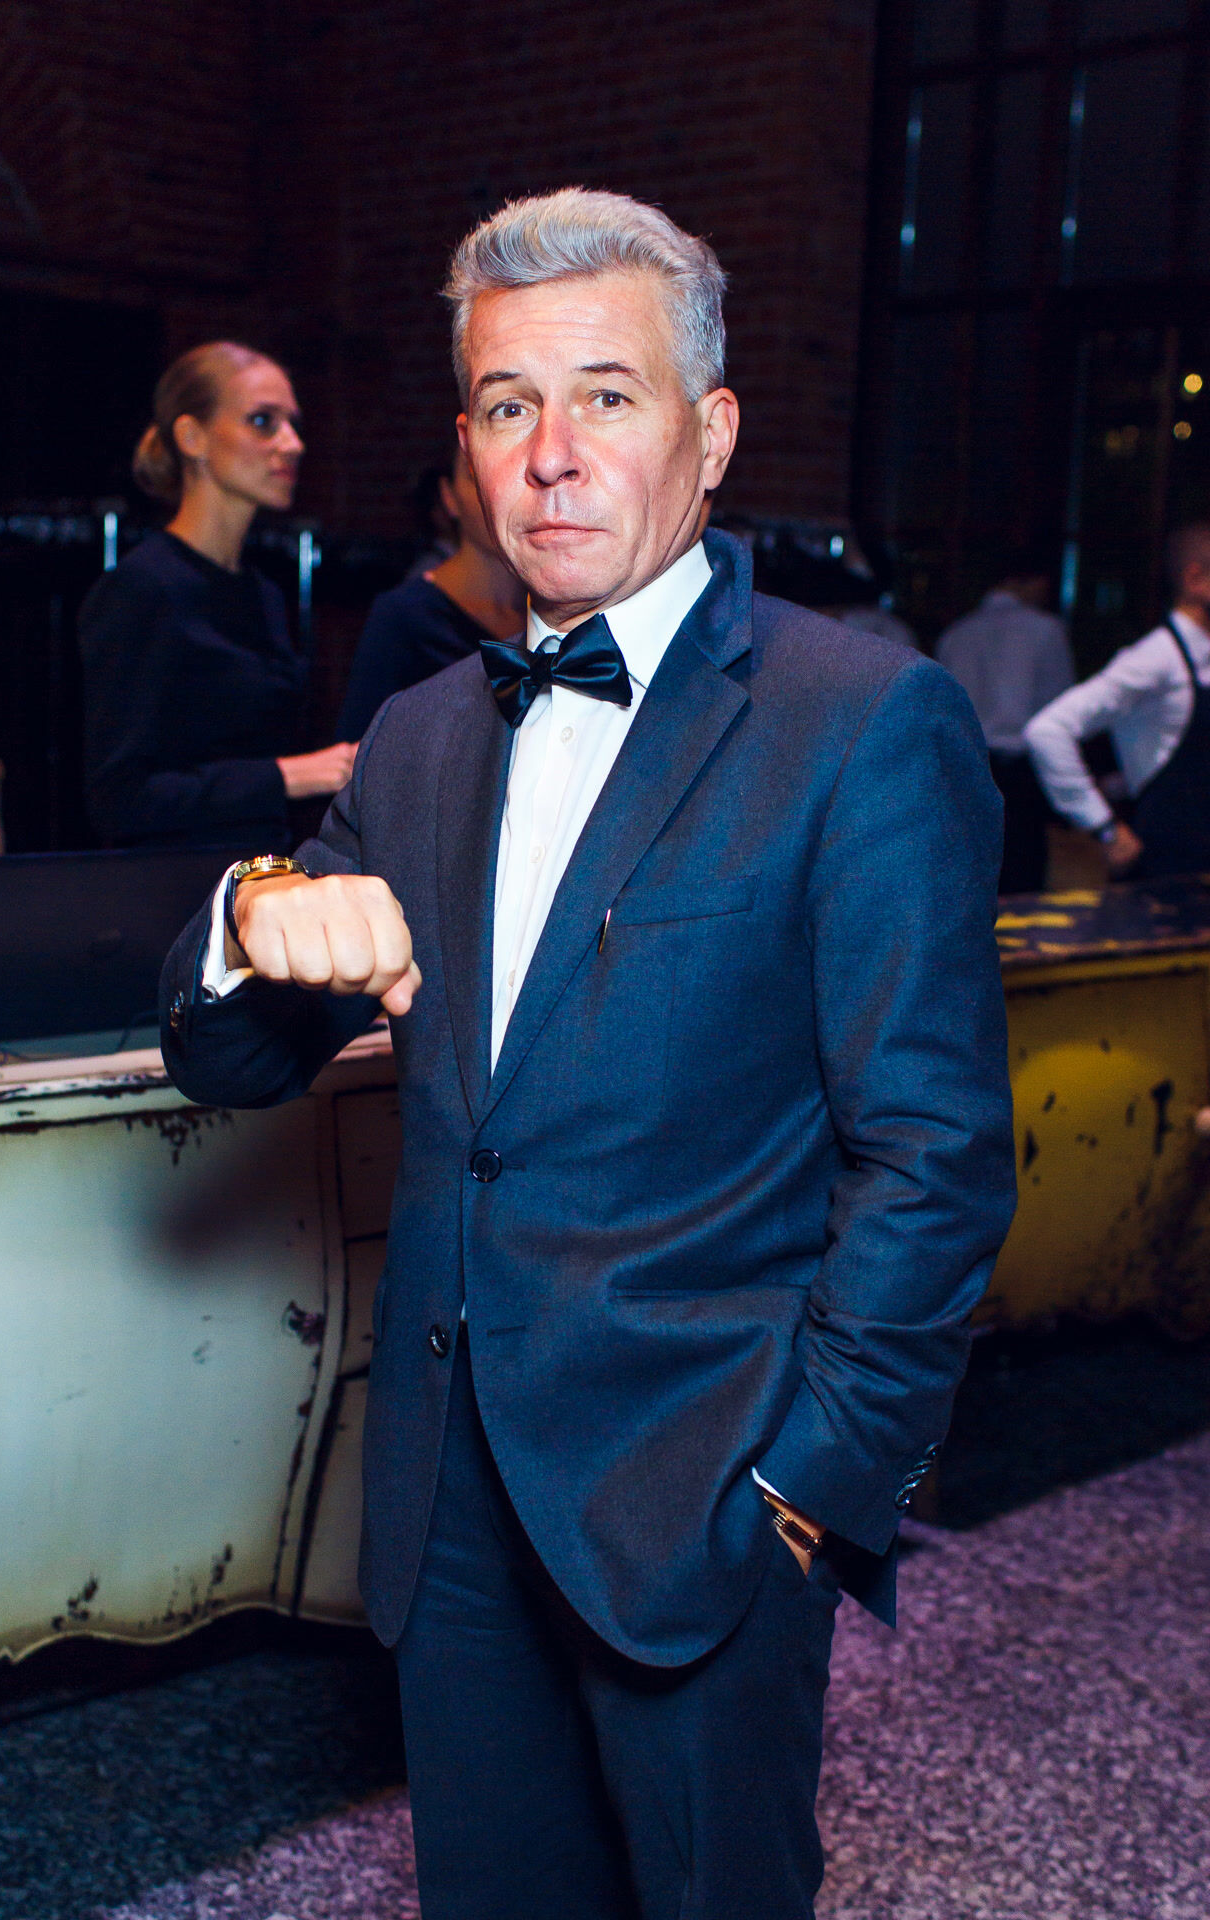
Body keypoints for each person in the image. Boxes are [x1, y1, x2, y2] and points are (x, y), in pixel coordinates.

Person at [160, 189, 1015, 1920]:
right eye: (506, 404)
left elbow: (937, 1159)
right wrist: (251, 916)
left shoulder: (862, 720)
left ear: (712, 435)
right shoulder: (417, 736)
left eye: (606, 396)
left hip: (708, 1501)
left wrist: (810, 1490)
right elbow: (227, 1060)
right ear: (468, 447)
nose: (550, 453)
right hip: (450, 1511)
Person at [79, 341, 356, 850]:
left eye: (293, 424)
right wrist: (289, 776)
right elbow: (118, 799)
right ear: (192, 437)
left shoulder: (263, 594)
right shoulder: (143, 589)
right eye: (262, 421)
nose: (293, 443)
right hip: (177, 886)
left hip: (261, 874)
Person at [1025, 524, 1210, 882]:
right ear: (1195, 578)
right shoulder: (1156, 657)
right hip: (1164, 870)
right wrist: (1104, 825)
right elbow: (1047, 730)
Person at [337, 442, 526, 740]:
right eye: (477, 474)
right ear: (449, 497)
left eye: (514, 471)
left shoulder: (558, 613)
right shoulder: (404, 616)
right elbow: (361, 749)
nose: (497, 491)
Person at [935, 557, 1074, 893]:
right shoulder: (1046, 630)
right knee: (1022, 877)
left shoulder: (956, 633)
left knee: (969, 875)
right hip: (1021, 769)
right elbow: (1060, 705)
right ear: (1028, 581)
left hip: (966, 765)